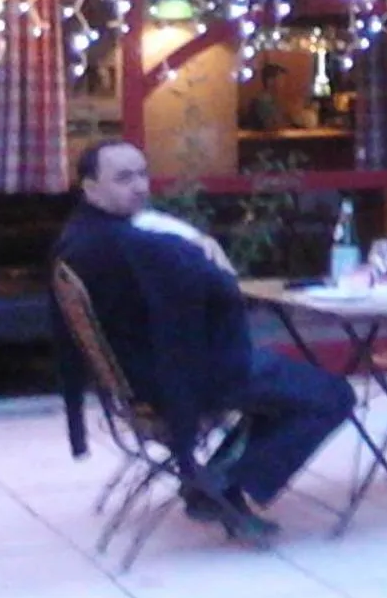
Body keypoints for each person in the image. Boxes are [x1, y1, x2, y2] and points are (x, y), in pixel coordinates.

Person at [50, 141, 355, 544]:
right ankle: (222, 486)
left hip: (147, 377)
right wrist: (200, 252)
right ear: (90, 188)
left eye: (142, 174)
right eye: (124, 178)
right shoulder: (127, 244)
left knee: (287, 387)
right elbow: (221, 286)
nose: (140, 186)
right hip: (183, 379)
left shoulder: (82, 237)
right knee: (333, 394)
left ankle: (216, 482)